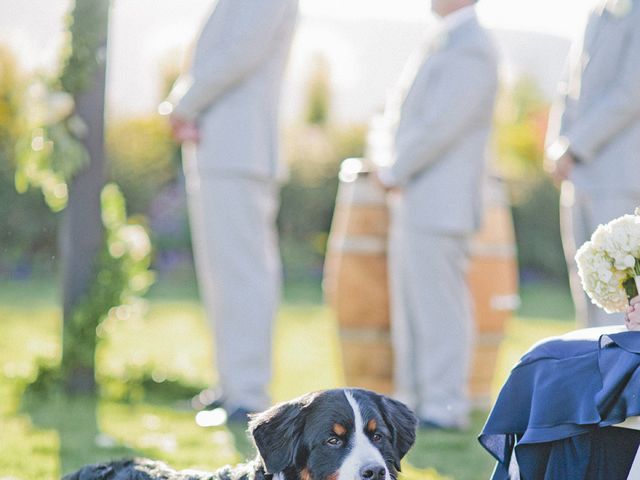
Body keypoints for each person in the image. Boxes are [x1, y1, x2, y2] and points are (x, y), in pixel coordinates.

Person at [161, 0, 299, 422]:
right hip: (221, 151)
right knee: (222, 275)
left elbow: (242, 51)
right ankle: (231, 385)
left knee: (244, 274)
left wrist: (183, 103)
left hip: (242, 152)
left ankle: (249, 394)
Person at [375, 0, 498, 430]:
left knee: (439, 308)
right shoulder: (443, 40)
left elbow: (441, 126)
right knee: (412, 309)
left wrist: (395, 168)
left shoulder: (473, 46)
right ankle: (414, 405)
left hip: (442, 202)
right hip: (418, 198)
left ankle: (445, 408)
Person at [545, 0, 640, 328]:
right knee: (585, 291)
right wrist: (555, 146)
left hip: (617, 177)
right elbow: (567, 89)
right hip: (576, 177)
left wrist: (573, 147)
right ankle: (594, 375)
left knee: (620, 299)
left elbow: (630, 93)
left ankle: (621, 378)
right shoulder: (594, 13)